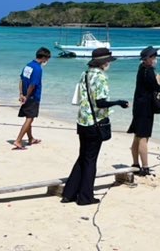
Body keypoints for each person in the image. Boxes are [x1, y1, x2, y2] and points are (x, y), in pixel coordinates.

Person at [61, 48, 129, 206]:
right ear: (103, 63)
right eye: (108, 61)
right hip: (95, 122)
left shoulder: (85, 74)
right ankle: (85, 197)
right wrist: (119, 102)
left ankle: (69, 193)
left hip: (82, 120)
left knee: (83, 157)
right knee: (90, 160)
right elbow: (100, 102)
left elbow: (81, 97)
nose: (109, 64)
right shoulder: (101, 77)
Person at [127, 46, 160, 176]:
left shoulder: (141, 68)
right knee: (143, 137)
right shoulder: (149, 71)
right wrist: (158, 81)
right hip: (145, 108)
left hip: (139, 106)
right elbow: (156, 88)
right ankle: (145, 167)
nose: (155, 60)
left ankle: (136, 164)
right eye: (153, 57)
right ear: (147, 59)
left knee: (137, 136)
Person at [13, 47, 51, 149]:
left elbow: (21, 80)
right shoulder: (38, 69)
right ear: (44, 58)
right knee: (30, 119)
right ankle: (18, 140)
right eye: (47, 59)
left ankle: (30, 138)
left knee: (28, 117)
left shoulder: (28, 65)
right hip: (32, 97)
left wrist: (21, 93)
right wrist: (27, 96)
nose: (47, 61)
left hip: (26, 95)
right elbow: (33, 85)